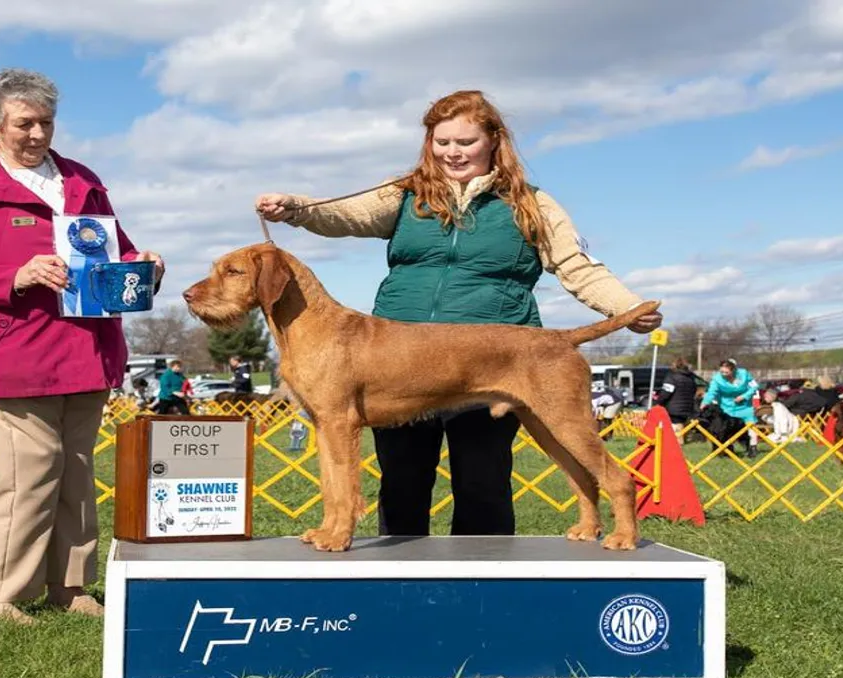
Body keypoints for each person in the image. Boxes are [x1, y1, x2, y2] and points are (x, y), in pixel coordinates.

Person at [255, 89, 662, 537]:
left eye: (465, 142)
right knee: (402, 482)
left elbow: (576, 265)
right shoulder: (405, 194)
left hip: (499, 353)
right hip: (399, 357)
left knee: (484, 482)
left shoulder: (532, 203)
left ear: (494, 140)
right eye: (442, 141)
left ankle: (505, 563)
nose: (452, 152)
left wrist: (625, 306)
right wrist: (295, 207)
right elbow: (345, 214)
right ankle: (401, 573)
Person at [0, 68, 165, 624]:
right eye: (24, 123)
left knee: (76, 473)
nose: (38, 134)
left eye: (46, 122)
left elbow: (114, 251)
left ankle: (70, 587)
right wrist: (14, 276)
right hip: (10, 355)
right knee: (30, 470)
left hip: (87, 349)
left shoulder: (82, 178)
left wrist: (140, 264)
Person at [701, 359, 760, 457]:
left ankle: (752, 448)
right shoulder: (716, 379)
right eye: (721, 372)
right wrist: (705, 402)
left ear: (733, 370)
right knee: (727, 429)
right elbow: (711, 392)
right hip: (727, 407)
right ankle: (728, 449)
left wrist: (744, 396)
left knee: (750, 426)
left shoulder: (744, 374)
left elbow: (754, 387)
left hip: (744, 406)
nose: (723, 374)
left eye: (726, 372)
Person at [655, 357, 699, 443]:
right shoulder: (691, 378)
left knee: (675, 434)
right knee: (682, 428)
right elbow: (694, 391)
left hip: (673, 410)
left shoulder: (671, 377)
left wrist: (658, 402)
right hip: (687, 408)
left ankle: (677, 444)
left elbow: (665, 394)